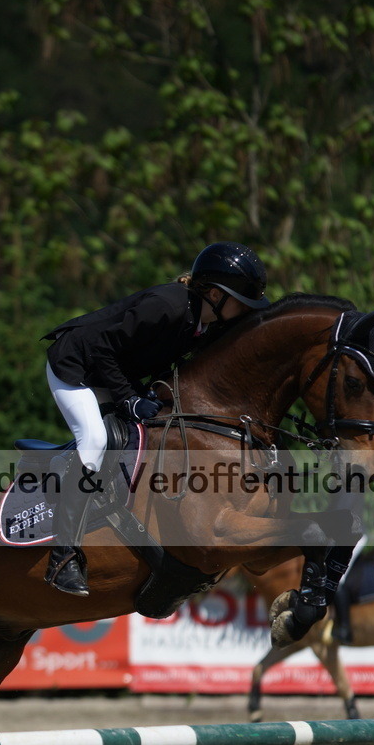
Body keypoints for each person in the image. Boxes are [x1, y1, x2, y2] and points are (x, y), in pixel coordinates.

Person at [42, 241, 271, 597]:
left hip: (115, 372)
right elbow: (103, 347)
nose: (245, 311)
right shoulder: (166, 305)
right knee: (96, 440)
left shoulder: (204, 322)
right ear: (214, 294)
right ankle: (63, 556)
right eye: (242, 302)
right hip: (79, 367)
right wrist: (129, 399)